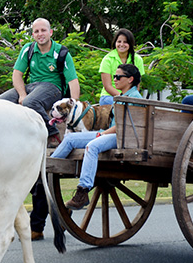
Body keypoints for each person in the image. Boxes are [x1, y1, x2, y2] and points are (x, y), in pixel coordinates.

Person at [0, 17, 81, 240]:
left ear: (51, 32)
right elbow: (17, 75)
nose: (40, 34)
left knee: (32, 103)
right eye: (36, 31)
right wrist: (22, 94)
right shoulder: (28, 49)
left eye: (43, 30)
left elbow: (73, 84)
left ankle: (52, 134)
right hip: (31, 87)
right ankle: (3, 141)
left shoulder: (61, 53)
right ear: (33, 34)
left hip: (51, 88)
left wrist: (73, 110)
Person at [50, 63, 143, 210]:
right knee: (69, 139)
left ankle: (83, 191)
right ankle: (49, 166)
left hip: (123, 138)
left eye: (118, 77)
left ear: (130, 79)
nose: (115, 80)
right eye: (114, 76)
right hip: (112, 134)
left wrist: (102, 134)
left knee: (92, 146)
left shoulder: (134, 98)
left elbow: (124, 127)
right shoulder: (121, 97)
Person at [98, 28, 145, 105]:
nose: (122, 44)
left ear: (130, 44)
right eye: (119, 41)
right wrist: (122, 98)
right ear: (115, 43)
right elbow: (107, 86)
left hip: (131, 96)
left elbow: (137, 85)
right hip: (109, 97)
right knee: (121, 105)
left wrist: (130, 98)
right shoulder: (107, 59)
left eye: (125, 42)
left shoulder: (138, 59)